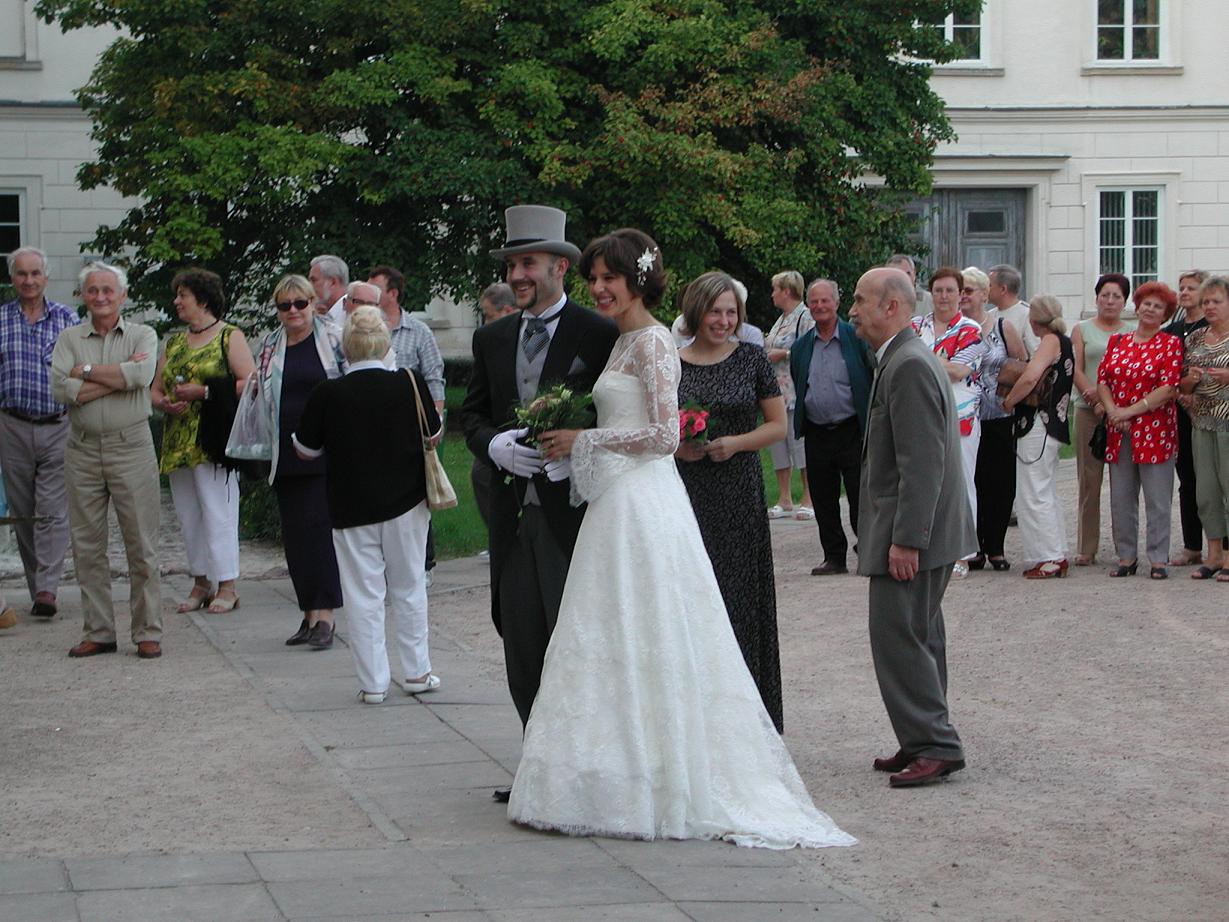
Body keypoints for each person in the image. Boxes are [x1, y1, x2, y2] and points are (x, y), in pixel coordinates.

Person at [510, 228, 854, 848]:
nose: (598, 288)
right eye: (594, 279)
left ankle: (661, 777)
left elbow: (666, 435)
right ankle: (609, 773)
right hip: (617, 502)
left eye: (609, 278)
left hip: (644, 502)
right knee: (607, 631)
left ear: (638, 280)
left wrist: (585, 439)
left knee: (650, 628)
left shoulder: (652, 343)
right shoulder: (622, 342)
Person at [457, 205, 619, 802]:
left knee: (574, 641)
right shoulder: (492, 337)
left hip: (571, 516)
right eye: (511, 265)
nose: (517, 275)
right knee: (521, 641)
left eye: (527, 263)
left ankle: (585, 771)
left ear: (559, 267)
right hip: (510, 517)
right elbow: (473, 414)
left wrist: (578, 451)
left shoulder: (598, 333)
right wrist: (493, 445)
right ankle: (540, 767)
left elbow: (617, 415)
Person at [850, 266, 976, 788]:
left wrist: (907, 540)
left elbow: (922, 463)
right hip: (925, 531)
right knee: (919, 634)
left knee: (898, 635)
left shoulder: (907, 364)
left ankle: (935, 744)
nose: (852, 310)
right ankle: (922, 735)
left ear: (891, 307)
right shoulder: (903, 358)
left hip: (915, 534)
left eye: (860, 300)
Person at [293, 306, 442, 702]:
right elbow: (434, 433)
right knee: (409, 586)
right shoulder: (408, 382)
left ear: (346, 348)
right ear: (384, 344)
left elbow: (306, 449)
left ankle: (374, 682)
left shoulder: (327, 393)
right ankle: (417, 671)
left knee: (363, 595)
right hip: (407, 502)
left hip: (350, 505)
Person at [675, 271, 788, 730]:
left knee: (739, 595)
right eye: (715, 312)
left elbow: (777, 426)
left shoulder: (751, 359)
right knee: (691, 595)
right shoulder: (673, 363)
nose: (723, 321)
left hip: (738, 490)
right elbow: (654, 427)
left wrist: (736, 444)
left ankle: (747, 714)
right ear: (695, 311)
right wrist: (677, 447)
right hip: (687, 490)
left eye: (730, 313)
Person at [50, 262, 163, 659]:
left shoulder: (142, 334)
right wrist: (118, 378)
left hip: (130, 445)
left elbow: (142, 376)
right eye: (92, 290)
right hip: (81, 448)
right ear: (82, 296)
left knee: (141, 543)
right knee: (86, 545)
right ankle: (98, 631)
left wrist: (84, 374)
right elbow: (61, 389)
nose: (100, 297)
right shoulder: (68, 337)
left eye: (107, 290)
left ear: (122, 295)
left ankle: (148, 630)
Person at [150, 269, 254, 614]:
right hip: (179, 442)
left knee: (218, 511)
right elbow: (155, 389)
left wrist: (204, 392)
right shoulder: (175, 343)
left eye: (183, 295)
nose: (176, 302)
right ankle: (200, 581)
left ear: (203, 300)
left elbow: (249, 382)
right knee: (188, 515)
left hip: (213, 440)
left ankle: (227, 585)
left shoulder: (228, 336)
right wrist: (164, 403)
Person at [255, 274, 345, 647]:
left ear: (313, 304)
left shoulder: (334, 338)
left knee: (319, 533)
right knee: (295, 538)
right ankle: (308, 613)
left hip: (324, 451)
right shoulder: (270, 345)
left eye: (300, 303)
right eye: (284, 305)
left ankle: (326, 617)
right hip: (284, 452)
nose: (293, 311)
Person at [0, 247, 77, 618]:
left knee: (52, 510)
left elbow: (81, 368)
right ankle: (38, 588)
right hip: (11, 425)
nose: (28, 280)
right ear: (12, 278)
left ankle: (48, 588)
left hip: (57, 424)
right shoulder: (1, 319)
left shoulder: (67, 319)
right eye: (21, 273)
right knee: (23, 511)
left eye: (35, 273)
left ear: (46, 277)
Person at [1097, 281, 1182, 579]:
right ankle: (1126, 557)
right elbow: (1103, 380)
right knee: (1121, 497)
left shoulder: (1170, 344)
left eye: (1158, 306)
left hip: (1155, 430)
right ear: (1137, 305)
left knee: (1157, 499)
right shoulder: (1117, 341)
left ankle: (1158, 559)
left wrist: (1129, 411)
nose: (1150, 309)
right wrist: (1113, 411)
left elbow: (1168, 388)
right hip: (1118, 429)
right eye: (1147, 303)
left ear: (1165, 314)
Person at [367, 265, 446, 582]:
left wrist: (436, 422)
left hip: (411, 430)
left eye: (376, 288)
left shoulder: (418, 331)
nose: (369, 294)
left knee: (417, 496)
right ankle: (384, 563)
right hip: (373, 429)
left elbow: (434, 377)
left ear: (393, 294)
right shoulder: (364, 329)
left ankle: (423, 563)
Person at [789, 278, 873, 576]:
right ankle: (834, 557)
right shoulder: (801, 346)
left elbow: (870, 375)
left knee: (860, 495)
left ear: (837, 303)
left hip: (852, 428)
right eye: (814, 301)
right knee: (823, 498)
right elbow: (799, 380)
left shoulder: (856, 338)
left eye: (825, 300)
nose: (820, 306)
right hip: (816, 431)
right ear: (807, 305)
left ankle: (869, 550)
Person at [912, 266, 986, 579]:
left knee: (961, 482)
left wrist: (921, 358)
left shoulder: (971, 330)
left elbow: (958, 371)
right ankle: (926, 548)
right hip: (921, 416)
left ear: (960, 294)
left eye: (950, 291)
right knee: (923, 483)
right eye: (938, 290)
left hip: (961, 416)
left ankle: (962, 553)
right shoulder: (916, 326)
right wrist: (938, 360)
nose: (944, 296)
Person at [1001, 296, 1074, 578]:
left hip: (1038, 423)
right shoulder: (1064, 341)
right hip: (1054, 424)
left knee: (1033, 493)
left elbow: (1031, 377)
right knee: (1046, 491)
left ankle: (1048, 557)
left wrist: (1009, 400)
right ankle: (1056, 551)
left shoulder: (1049, 342)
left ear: (1033, 321)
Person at [962, 266, 1025, 570]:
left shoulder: (1002, 326)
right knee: (970, 481)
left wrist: (1010, 393)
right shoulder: (953, 329)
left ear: (984, 294)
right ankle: (973, 546)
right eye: (960, 291)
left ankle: (996, 546)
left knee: (1000, 482)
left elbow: (1021, 362)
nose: (963, 296)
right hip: (965, 418)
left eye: (968, 290)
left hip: (999, 414)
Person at [1070, 273, 1135, 566]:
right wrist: (1095, 400)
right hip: (1089, 411)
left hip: (1123, 413)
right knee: (1089, 480)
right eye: (1105, 295)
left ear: (1125, 301)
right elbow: (1076, 368)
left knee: (1124, 483)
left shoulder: (1132, 331)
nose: (1110, 301)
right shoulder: (1082, 329)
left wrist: (1113, 405)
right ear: (1096, 298)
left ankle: (1126, 546)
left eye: (1116, 296)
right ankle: (1087, 546)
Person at [1178, 276, 1229, 581]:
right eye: (1206, 301)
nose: (1209, 306)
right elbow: (1182, 385)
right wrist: (1191, 380)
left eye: (1217, 301)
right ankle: (1213, 555)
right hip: (1201, 422)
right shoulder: (1195, 338)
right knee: (1206, 490)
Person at [1166, 269, 1216, 567]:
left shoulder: (1213, 327)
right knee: (1187, 477)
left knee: (1214, 478)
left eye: (1191, 288)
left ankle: (1218, 546)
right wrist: (1179, 393)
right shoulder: (1170, 330)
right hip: (1179, 410)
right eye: (1181, 287)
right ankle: (1192, 545)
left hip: (1210, 407)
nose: (1184, 292)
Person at [763, 271, 815, 519]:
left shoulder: (805, 316)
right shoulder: (780, 319)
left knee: (799, 444)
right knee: (778, 445)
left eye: (775, 289)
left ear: (786, 291)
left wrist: (783, 354)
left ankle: (808, 498)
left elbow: (812, 347)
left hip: (795, 390)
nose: (772, 294)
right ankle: (784, 498)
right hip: (776, 393)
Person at [470, 283, 518, 544]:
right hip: (495, 431)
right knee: (481, 473)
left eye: (489, 315)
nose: (485, 322)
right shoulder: (488, 341)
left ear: (507, 311)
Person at [987, 263, 1039, 355]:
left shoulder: (1028, 315)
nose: (985, 289)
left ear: (1003, 289)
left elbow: (1036, 354)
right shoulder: (988, 316)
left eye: (989, 285)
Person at [309, 254, 348, 320]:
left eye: (314, 280)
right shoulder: (319, 314)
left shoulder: (353, 313)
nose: (308, 286)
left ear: (333, 282)